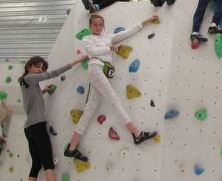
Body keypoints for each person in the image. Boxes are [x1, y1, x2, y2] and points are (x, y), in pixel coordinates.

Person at [64, 14, 159, 162]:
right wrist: (110, 48)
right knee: (114, 99)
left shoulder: (108, 37)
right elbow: (93, 52)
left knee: (89, 110)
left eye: (100, 24)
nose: (97, 27)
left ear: (103, 26)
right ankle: (136, 134)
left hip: (105, 73)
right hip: (95, 68)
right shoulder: (87, 39)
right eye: (94, 24)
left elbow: (127, 32)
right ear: (90, 26)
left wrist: (147, 21)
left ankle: (71, 148)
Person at [19, 55, 87, 181]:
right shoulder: (30, 78)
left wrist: (42, 91)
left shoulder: (25, 82)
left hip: (28, 128)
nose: (40, 70)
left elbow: (30, 99)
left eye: (42, 68)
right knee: (48, 163)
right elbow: (52, 74)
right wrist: (76, 61)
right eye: (37, 66)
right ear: (29, 66)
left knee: (36, 164)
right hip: (37, 126)